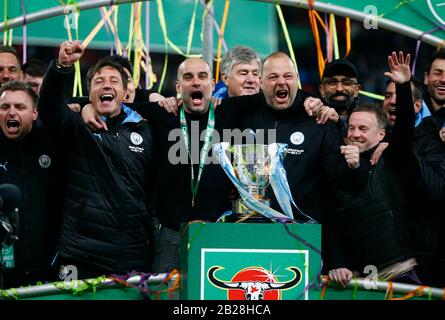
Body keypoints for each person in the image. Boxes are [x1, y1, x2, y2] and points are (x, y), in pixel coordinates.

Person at [37, 40, 156, 278]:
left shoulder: (146, 129)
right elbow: (49, 108)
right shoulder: (75, 126)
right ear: (89, 91)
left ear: (124, 93)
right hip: (82, 251)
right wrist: (61, 67)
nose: (106, 85)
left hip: (132, 252)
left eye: (114, 81)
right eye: (99, 81)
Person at [327, 52, 421, 286]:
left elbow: (405, 129)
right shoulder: (337, 166)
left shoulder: (392, 159)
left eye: (363, 129)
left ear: (381, 135)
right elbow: (335, 220)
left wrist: (403, 86)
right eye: (351, 128)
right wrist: (338, 262)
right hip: (360, 282)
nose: (355, 134)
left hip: (400, 275)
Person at [0, 81, 62, 289]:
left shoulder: (53, 141)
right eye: (4, 107)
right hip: (4, 275)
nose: (11, 112)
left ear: (35, 113)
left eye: (19, 107)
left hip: (51, 271)